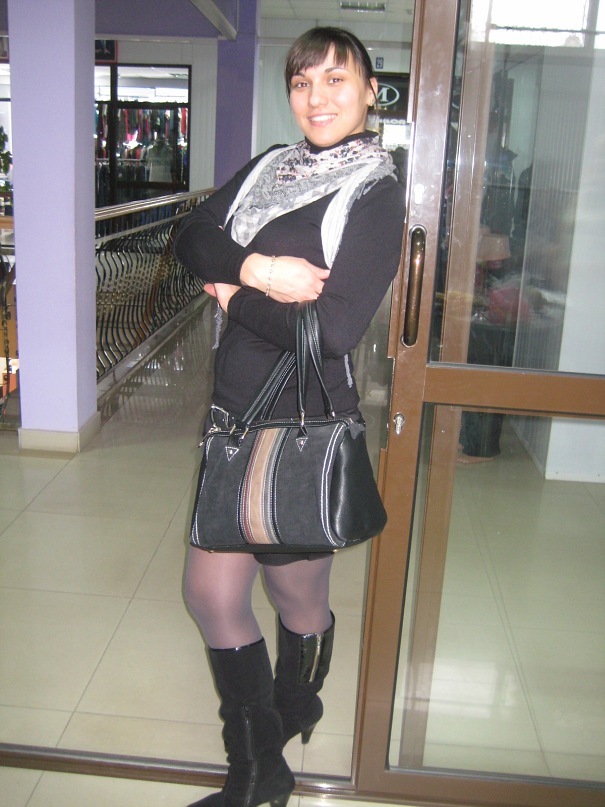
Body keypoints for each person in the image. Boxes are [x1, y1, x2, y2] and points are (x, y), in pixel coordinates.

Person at [173, 26, 405, 807]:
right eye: (303, 82)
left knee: (295, 597)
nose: (316, 97)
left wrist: (232, 295)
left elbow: (332, 330)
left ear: (370, 90)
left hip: (303, 421)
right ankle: (257, 768)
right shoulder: (270, 165)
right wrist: (259, 268)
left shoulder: (374, 191)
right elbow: (192, 234)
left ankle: (293, 706)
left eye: (336, 80)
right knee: (211, 593)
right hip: (234, 410)